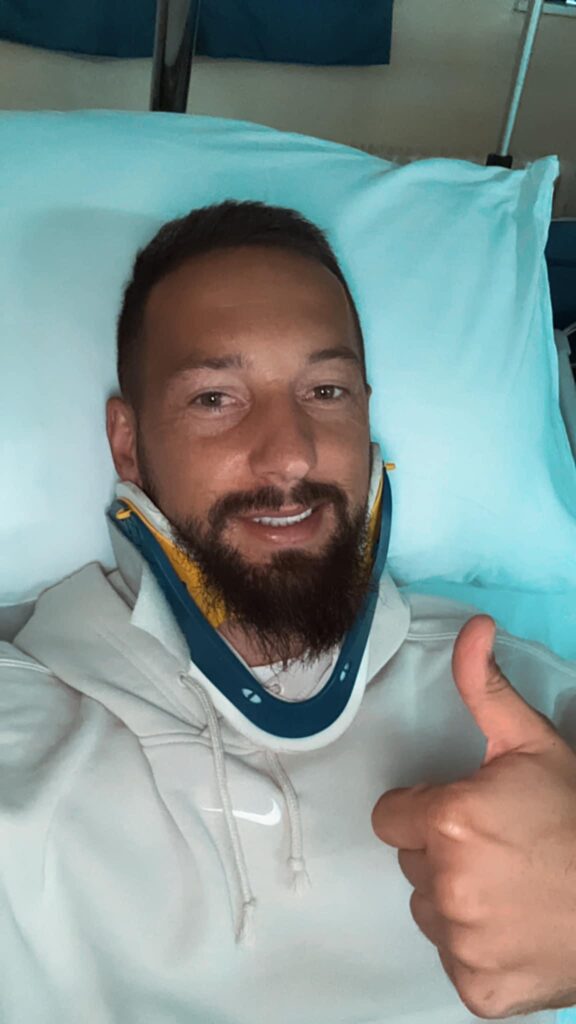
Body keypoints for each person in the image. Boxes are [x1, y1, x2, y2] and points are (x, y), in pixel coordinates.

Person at [2, 200, 576, 1024]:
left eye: (325, 390)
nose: (290, 454)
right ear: (127, 444)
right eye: (215, 398)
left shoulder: (525, 703)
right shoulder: (22, 721)